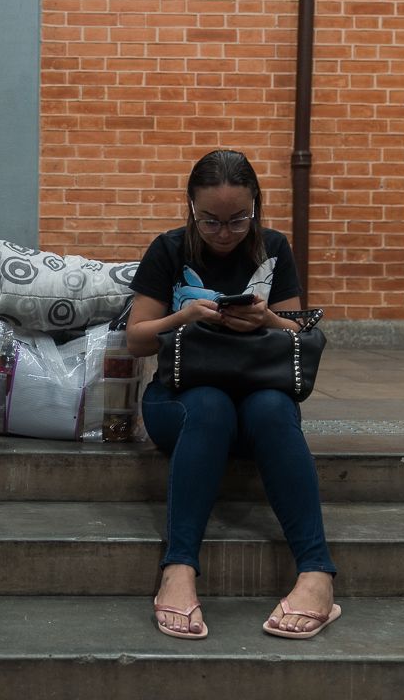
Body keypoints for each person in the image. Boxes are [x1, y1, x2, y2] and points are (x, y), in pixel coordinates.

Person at [126, 149, 341, 640]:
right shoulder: (169, 248)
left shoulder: (273, 248)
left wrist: (266, 319)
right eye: (211, 221)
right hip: (181, 400)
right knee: (209, 404)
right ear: (191, 208)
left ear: (256, 206)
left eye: (238, 219)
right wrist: (185, 315)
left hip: (258, 396)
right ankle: (178, 568)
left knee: (271, 408)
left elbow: (297, 333)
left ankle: (317, 573)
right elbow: (136, 338)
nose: (224, 232)